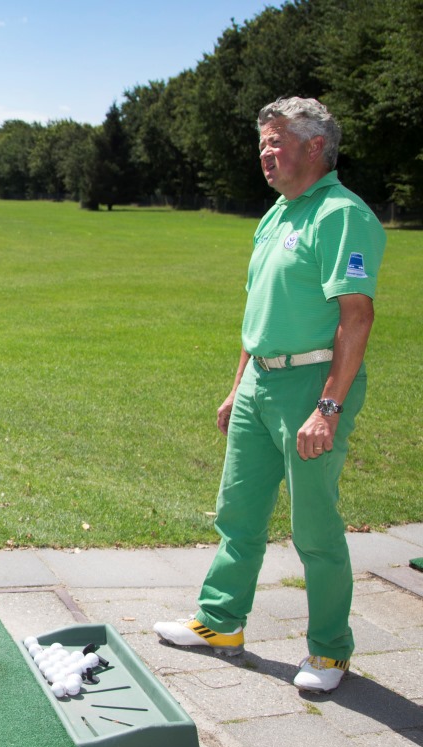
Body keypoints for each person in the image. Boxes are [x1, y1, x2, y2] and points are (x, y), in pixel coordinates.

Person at [154, 97, 385, 693]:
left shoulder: (341, 214)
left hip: (312, 384)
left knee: (314, 528)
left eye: (276, 141)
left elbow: (356, 318)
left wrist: (328, 408)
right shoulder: (277, 214)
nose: (265, 152)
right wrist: (238, 388)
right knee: (238, 512)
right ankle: (220, 622)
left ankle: (330, 651)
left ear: (315, 146)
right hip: (259, 380)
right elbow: (257, 311)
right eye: (262, 142)